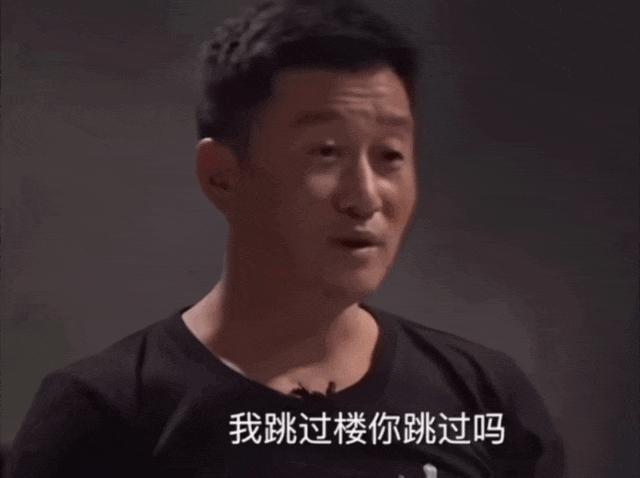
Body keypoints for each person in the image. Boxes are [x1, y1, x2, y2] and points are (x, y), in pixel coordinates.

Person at [8, 1, 565, 477]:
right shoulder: (106, 412)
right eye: (326, 153)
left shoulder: (483, 396)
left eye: (390, 156)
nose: (365, 196)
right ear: (222, 176)